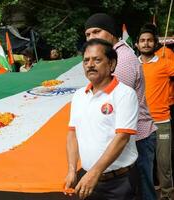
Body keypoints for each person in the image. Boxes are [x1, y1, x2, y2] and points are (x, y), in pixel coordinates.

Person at [84, 13, 157, 200]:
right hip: (132, 137)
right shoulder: (115, 55)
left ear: (111, 33)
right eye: (88, 35)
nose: (92, 38)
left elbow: (108, 103)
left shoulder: (121, 60)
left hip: (136, 137)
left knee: (142, 191)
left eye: (97, 32)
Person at [64, 38, 139, 200]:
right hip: (87, 177)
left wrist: (94, 173)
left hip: (118, 182)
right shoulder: (79, 96)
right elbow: (72, 134)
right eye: (86, 60)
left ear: (111, 64)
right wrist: (71, 170)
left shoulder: (124, 94)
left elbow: (122, 138)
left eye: (97, 60)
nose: (90, 64)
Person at [136, 23, 174, 199]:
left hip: (162, 122)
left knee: (164, 164)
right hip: (140, 124)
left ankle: (167, 195)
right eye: (142, 40)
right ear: (137, 44)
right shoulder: (132, 65)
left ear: (155, 43)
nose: (146, 43)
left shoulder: (165, 62)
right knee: (143, 165)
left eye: (150, 40)